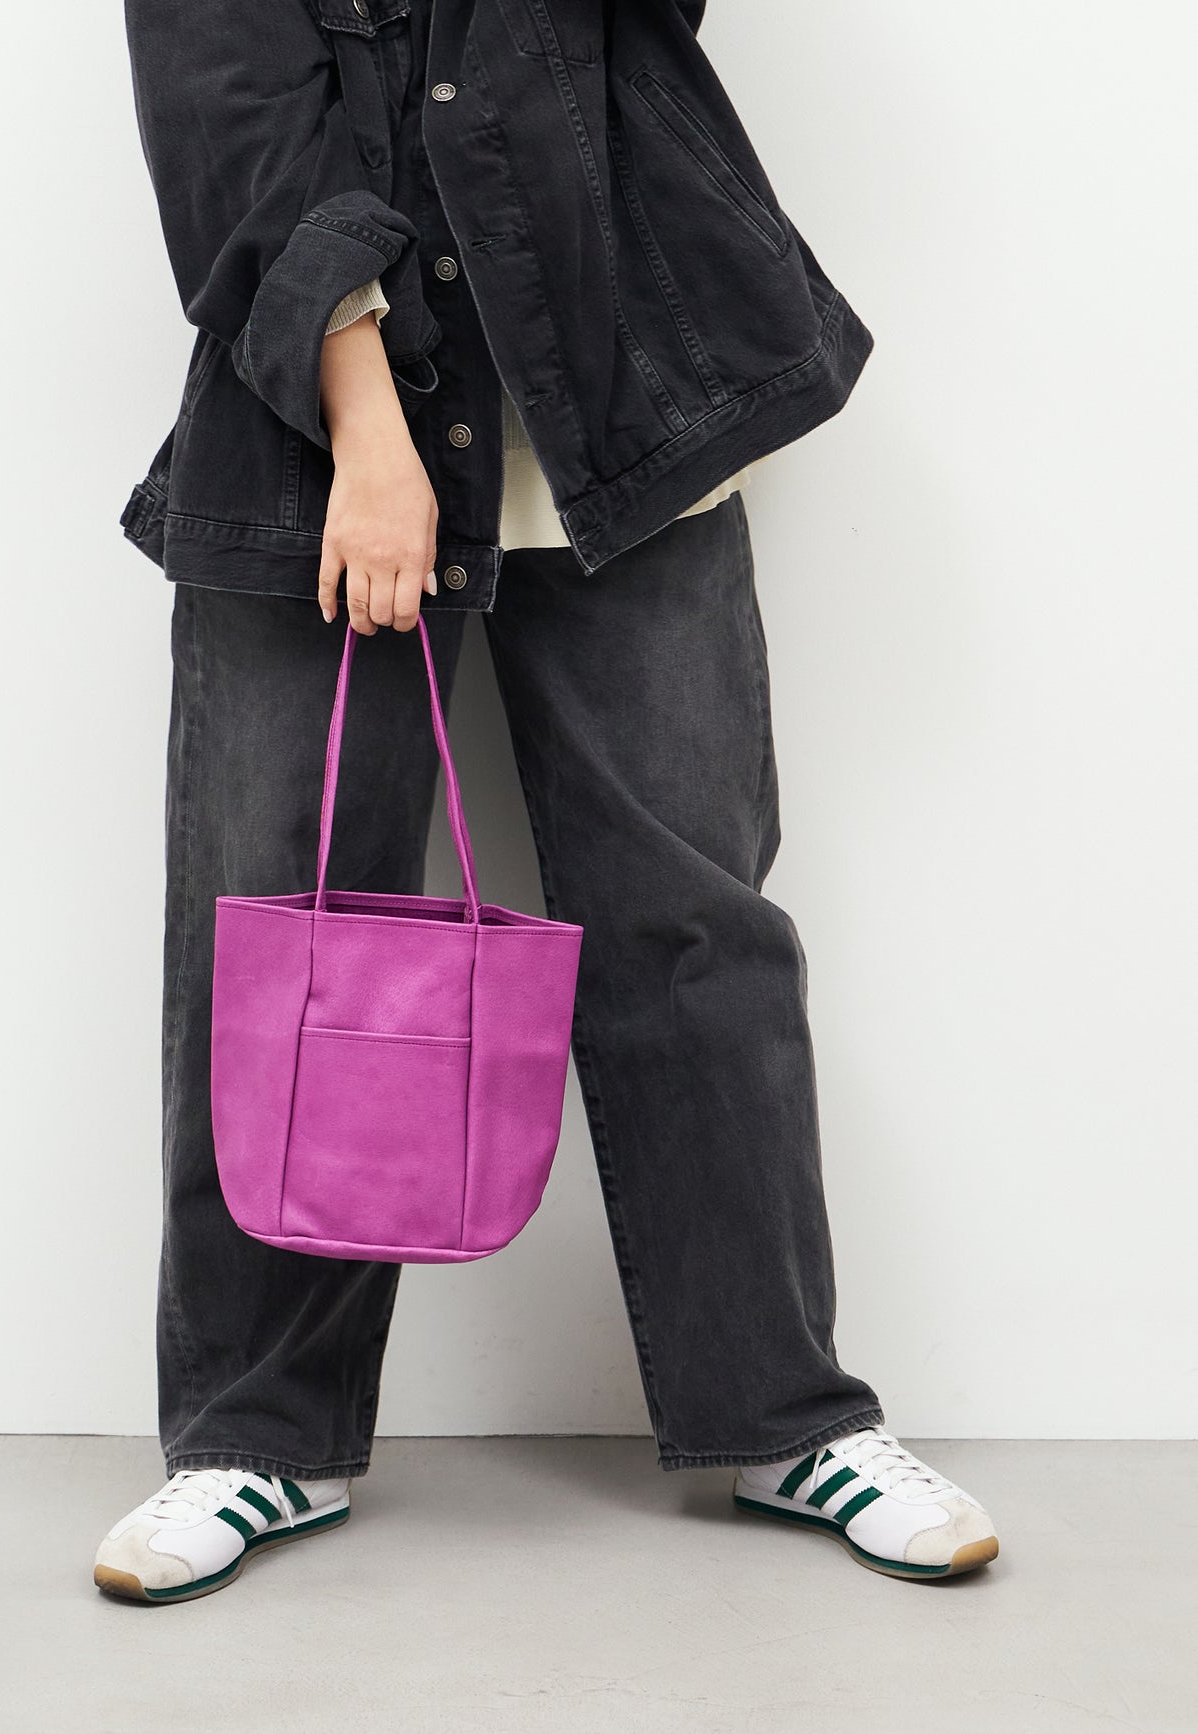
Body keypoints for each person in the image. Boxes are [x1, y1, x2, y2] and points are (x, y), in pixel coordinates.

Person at [94, 0, 998, 1602]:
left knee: (695, 926)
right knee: (282, 930)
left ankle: (783, 1414)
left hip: (619, 399)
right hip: (318, 447)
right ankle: (255, 1436)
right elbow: (223, 108)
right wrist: (366, 429)